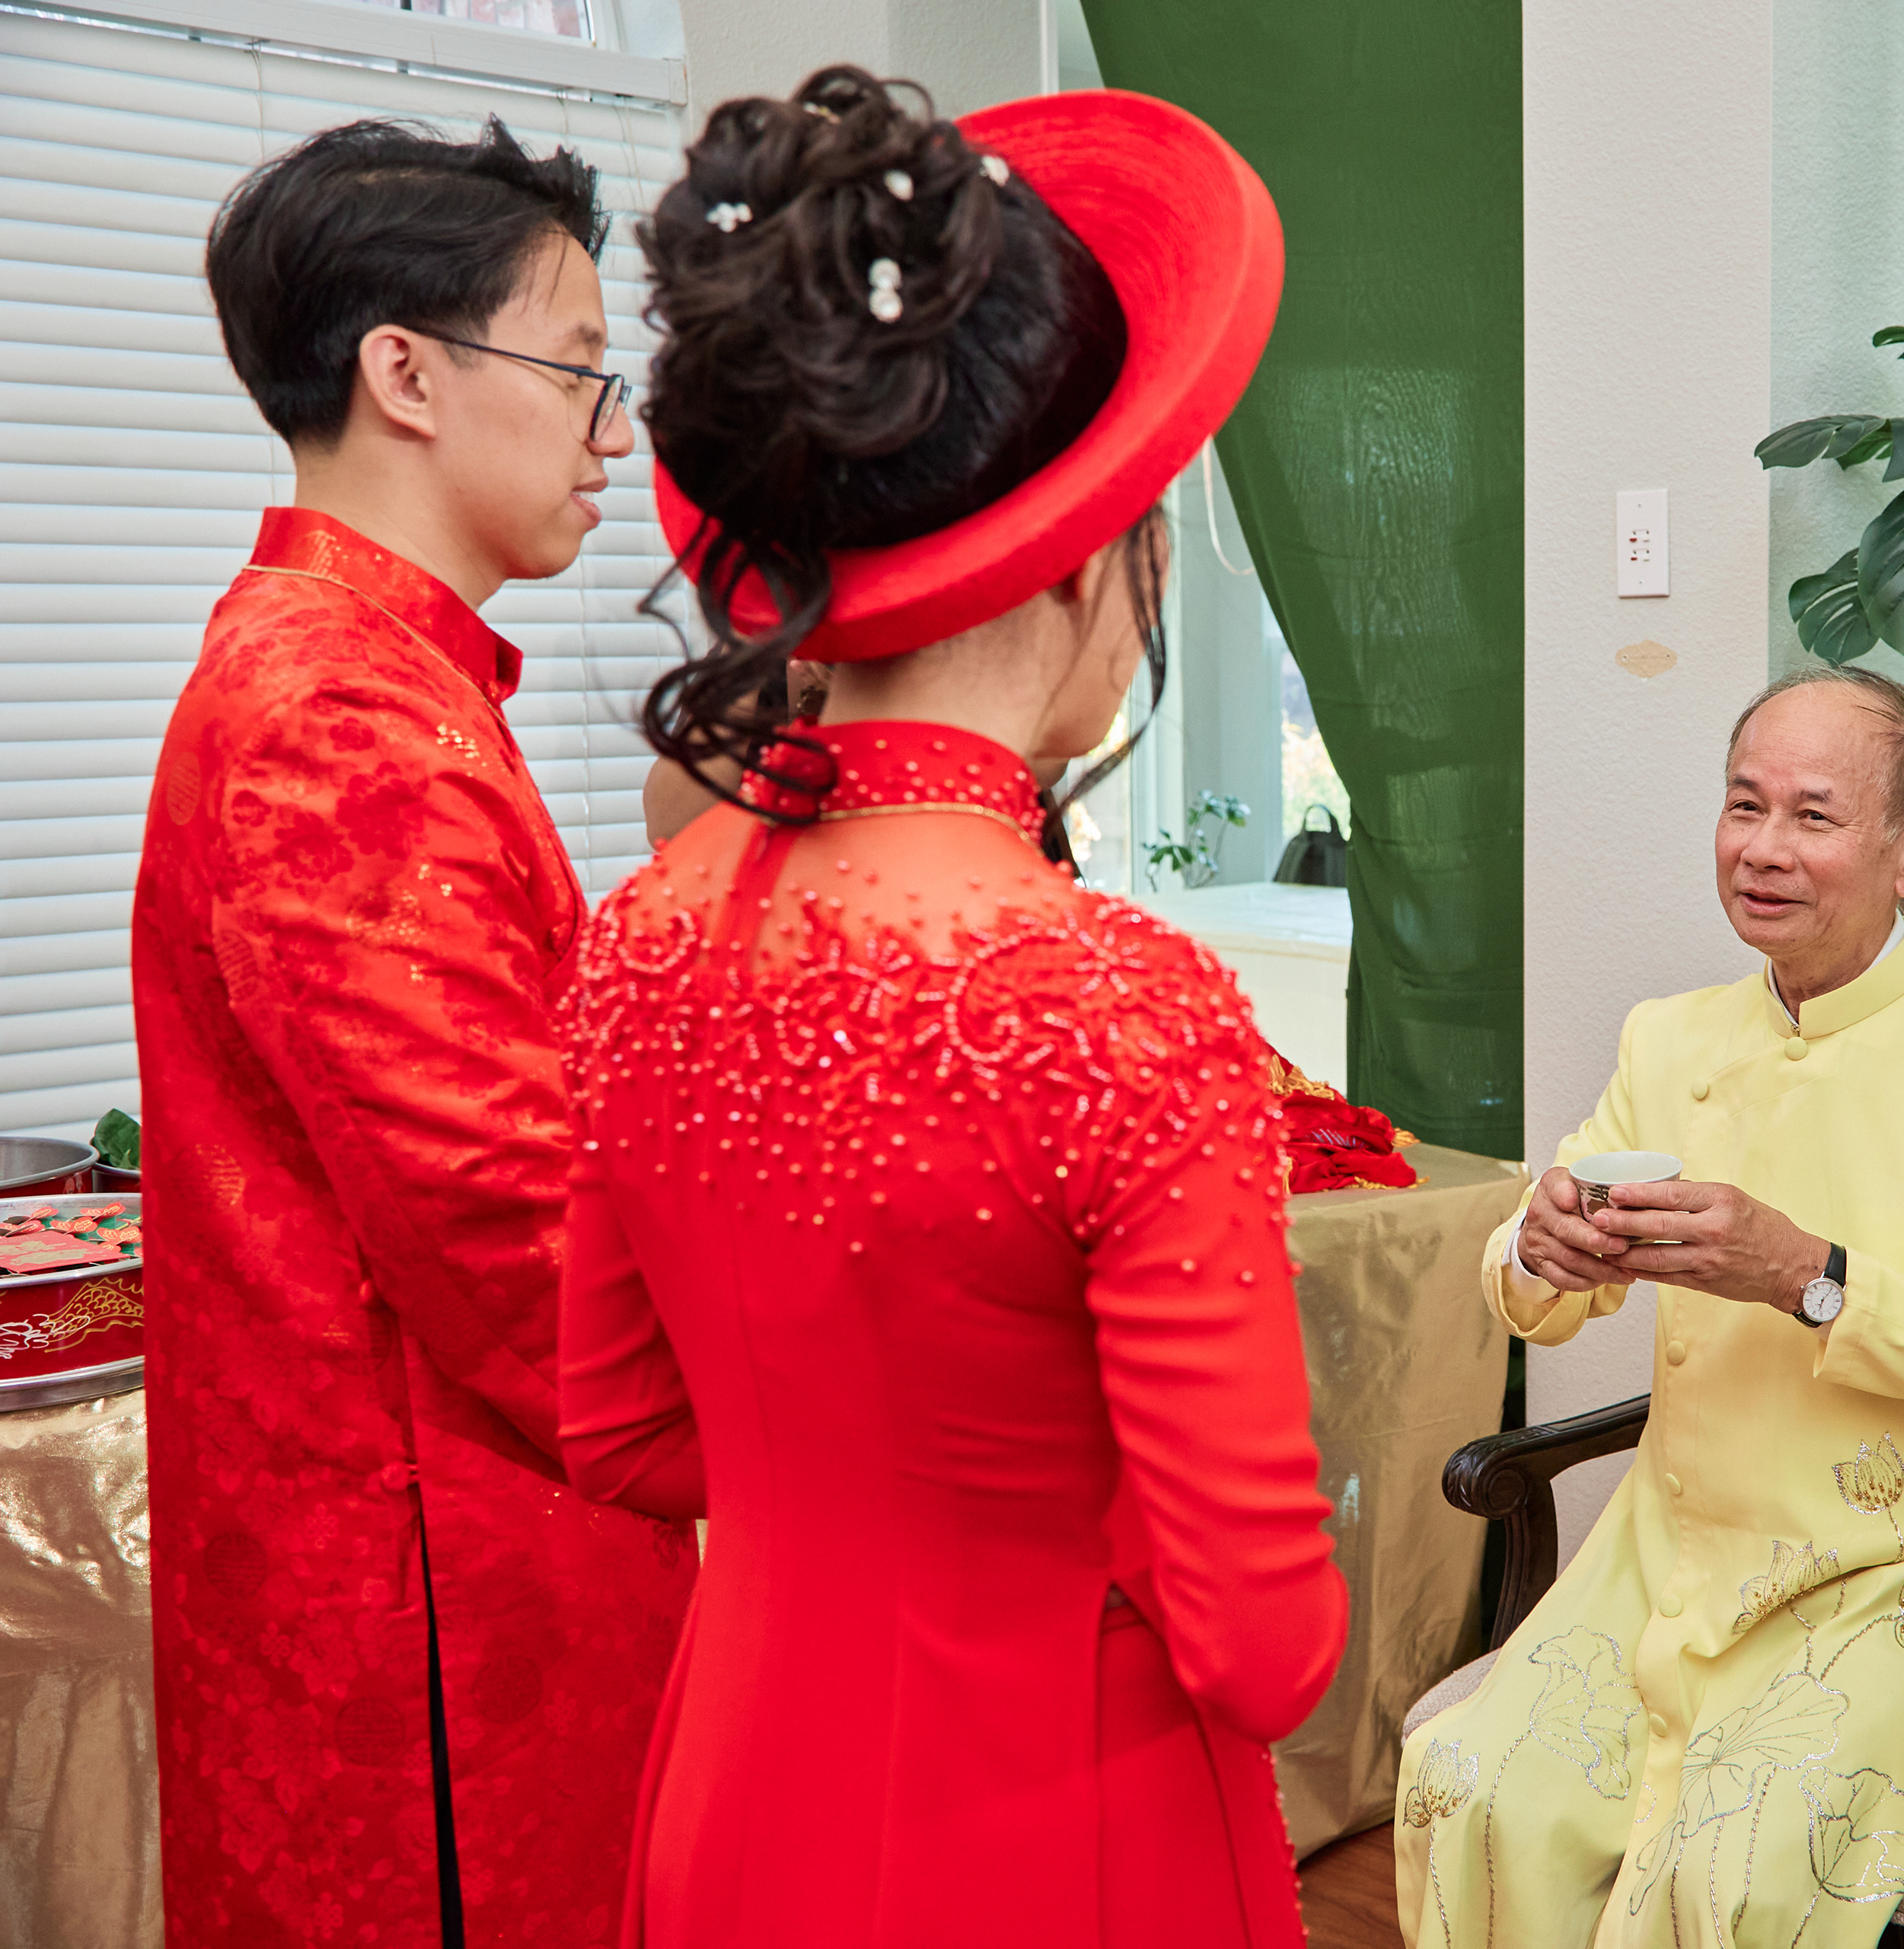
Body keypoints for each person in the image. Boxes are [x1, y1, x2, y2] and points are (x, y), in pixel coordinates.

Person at [550, 69, 1346, 1948]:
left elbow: (618, 1432)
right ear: (1097, 556)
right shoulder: (1120, 1004)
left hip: (745, 1783)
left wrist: (854, 1504)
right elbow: (1264, 1645)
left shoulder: (638, 933)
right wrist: (1037, 1525)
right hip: (1054, 1813)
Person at [132, 120, 697, 1945]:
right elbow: (504, 1233)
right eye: (582, 371)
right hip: (431, 1590)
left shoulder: (376, 672)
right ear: (408, 374)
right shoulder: (338, 715)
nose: (613, 435)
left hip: (437, 1542)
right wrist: (784, 1430)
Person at [1397, 666, 1904, 1947]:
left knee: (1731, 1871)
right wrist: (1542, 1248)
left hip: (1892, 1576)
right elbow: (1529, 1294)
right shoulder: (1667, 1040)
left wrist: (1807, 1275)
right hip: (1669, 1553)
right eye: (1745, 806)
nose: (1763, 849)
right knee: (1473, 1790)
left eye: (1813, 816)